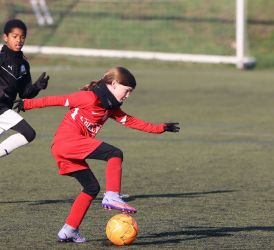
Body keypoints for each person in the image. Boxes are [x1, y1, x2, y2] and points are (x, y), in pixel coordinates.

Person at [13, 66, 180, 243]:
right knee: (114, 153)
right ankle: (112, 195)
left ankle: (69, 229)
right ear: (114, 84)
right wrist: (27, 104)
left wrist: (160, 128)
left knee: (91, 188)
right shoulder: (89, 97)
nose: (127, 95)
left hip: (66, 150)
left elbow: (131, 121)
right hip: (67, 142)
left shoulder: (110, 107)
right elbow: (58, 100)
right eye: (127, 90)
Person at [0, 19, 49, 158]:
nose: (19, 40)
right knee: (28, 133)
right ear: (5, 37)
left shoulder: (23, 64)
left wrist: (37, 87)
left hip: (4, 110)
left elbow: (25, 93)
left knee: (28, 133)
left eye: (22, 37)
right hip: (1, 109)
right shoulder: (1, 58)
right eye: (14, 36)